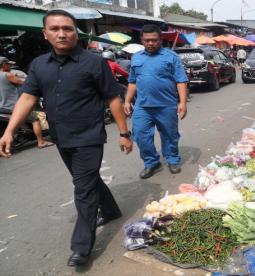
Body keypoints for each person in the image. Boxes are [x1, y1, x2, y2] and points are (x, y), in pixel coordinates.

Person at [0, 10, 133, 266]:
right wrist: (9, 130)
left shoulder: (94, 63)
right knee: (86, 179)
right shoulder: (39, 65)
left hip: (89, 136)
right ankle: (111, 210)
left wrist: (124, 133)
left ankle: (81, 248)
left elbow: (112, 98)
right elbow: (27, 97)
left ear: (76, 33)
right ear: (45, 34)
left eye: (68, 28)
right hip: (62, 137)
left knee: (82, 190)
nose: (62, 33)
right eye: (55, 28)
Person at [124, 24, 188, 179]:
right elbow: (133, 81)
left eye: (154, 40)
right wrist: (127, 100)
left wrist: (183, 103)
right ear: (142, 40)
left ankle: (172, 159)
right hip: (142, 106)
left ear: (160, 39)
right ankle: (151, 162)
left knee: (169, 135)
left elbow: (180, 81)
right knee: (139, 134)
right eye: (147, 40)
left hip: (166, 104)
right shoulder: (136, 57)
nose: (150, 43)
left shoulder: (171, 57)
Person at [0, 57, 53, 148]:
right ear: (3, 65)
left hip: (2, 107)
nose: (10, 66)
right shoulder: (7, 75)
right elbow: (27, 83)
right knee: (35, 120)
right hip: (13, 105)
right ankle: (41, 142)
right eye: (8, 64)